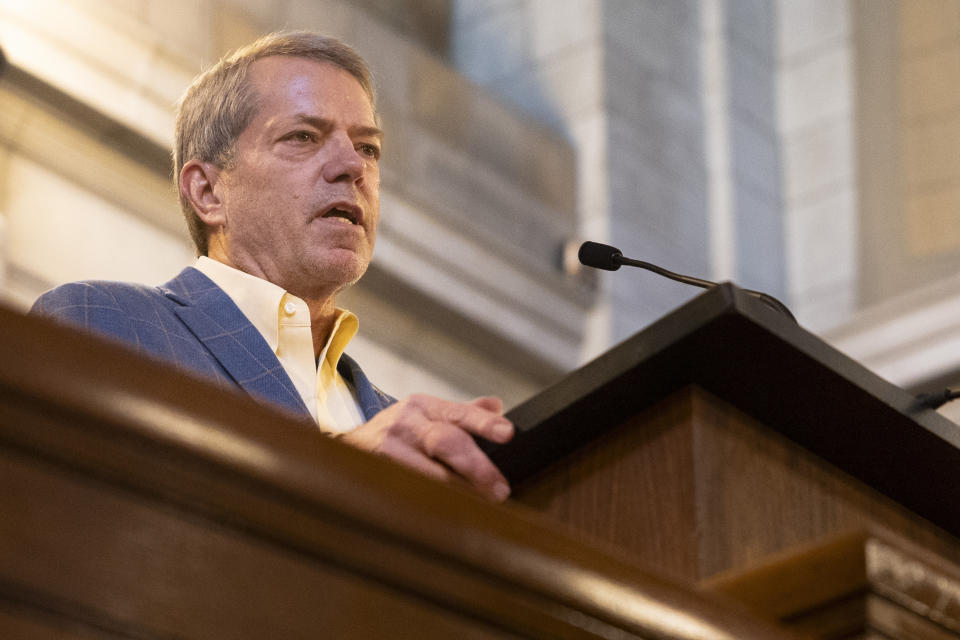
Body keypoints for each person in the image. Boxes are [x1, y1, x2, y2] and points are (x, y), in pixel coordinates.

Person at [30, 31, 513, 502]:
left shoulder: (403, 434)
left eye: (368, 147)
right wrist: (343, 471)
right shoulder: (103, 322)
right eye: (304, 136)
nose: (353, 165)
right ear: (208, 192)